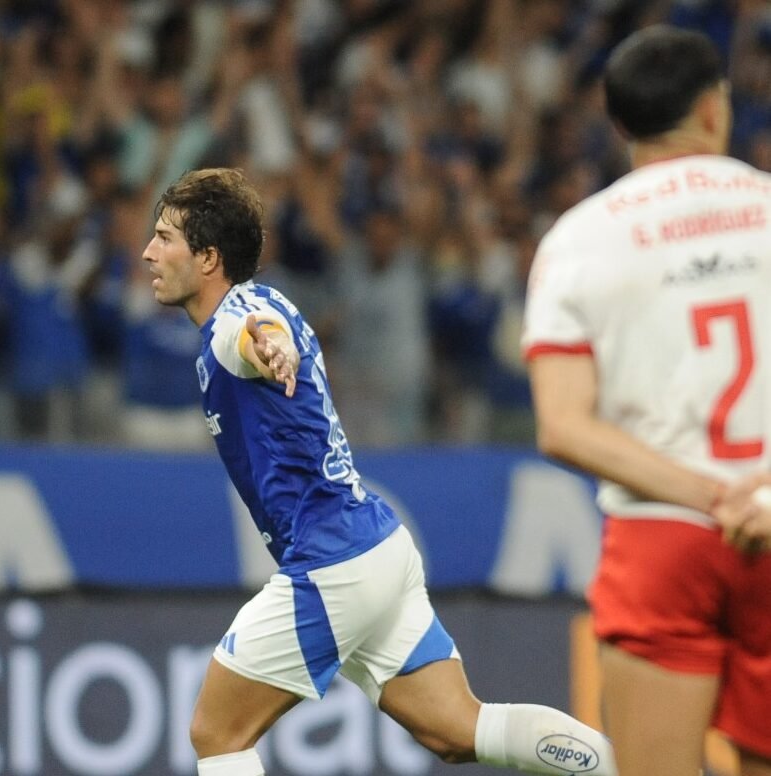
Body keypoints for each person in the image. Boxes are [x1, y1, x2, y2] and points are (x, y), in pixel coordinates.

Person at [144, 167, 617, 776]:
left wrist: (269, 346)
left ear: (208, 258)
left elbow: (253, 337)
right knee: (456, 729)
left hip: (331, 561)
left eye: (164, 238)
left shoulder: (240, 322)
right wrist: (268, 339)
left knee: (216, 732)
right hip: (376, 548)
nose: (149, 252)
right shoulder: (260, 303)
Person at [522, 25, 771, 776]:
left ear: (619, 122)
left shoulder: (578, 239)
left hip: (661, 534)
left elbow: (563, 427)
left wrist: (707, 496)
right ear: (711, 109)